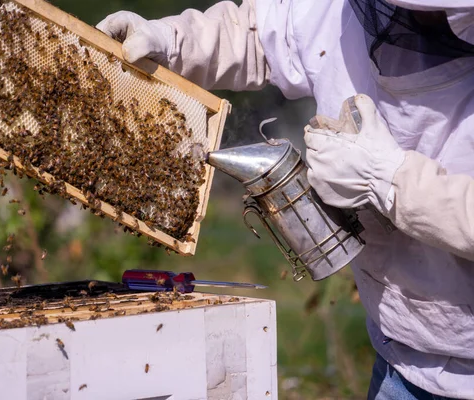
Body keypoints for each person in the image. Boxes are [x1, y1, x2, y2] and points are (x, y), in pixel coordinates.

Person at [98, 0, 474, 398]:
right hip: (400, 356)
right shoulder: (338, 11)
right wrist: (173, 41)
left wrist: (391, 179)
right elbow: (260, 34)